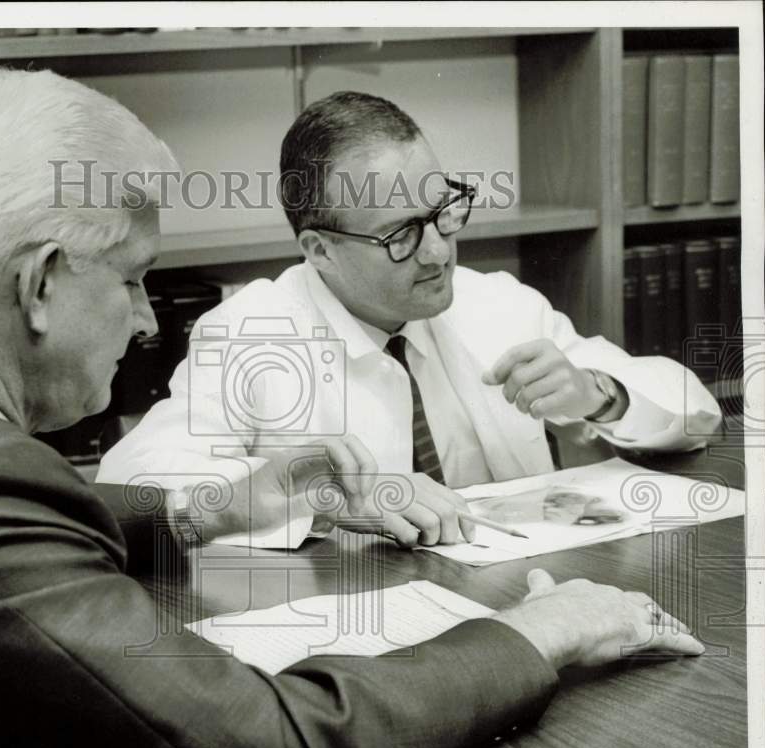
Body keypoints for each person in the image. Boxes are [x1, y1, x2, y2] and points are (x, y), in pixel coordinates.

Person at [0, 69, 702, 748]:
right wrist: (541, 631)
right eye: (133, 281)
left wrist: (215, 509)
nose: (149, 322)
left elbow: (42, 517)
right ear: (41, 284)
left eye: (443, 213)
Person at [97, 91, 722, 546]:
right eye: (401, 234)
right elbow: (133, 485)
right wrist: (317, 499)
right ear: (320, 251)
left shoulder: (498, 302)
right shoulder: (248, 334)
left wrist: (602, 396)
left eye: (443, 211)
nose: (439, 251)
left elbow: (695, 412)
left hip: (528, 592)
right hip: (366, 633)